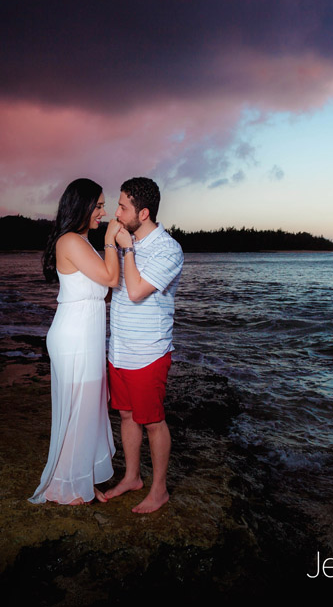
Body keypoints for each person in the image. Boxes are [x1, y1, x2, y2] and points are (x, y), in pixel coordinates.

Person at [29, 178, 123, 505]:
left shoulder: (83, 243)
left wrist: (105, 246)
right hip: (74, 337)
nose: (104, 212)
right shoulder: (70, 241)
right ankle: (62, 486)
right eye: (98, 206)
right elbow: (111, 279)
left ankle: (80, 479)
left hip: (87, 334)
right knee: (76, 412)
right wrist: (111, 239)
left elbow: (105, 291)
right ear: (82, 206)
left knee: (88, 412)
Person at [104, 177, 183, 513]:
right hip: (118, 347)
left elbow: (136, 291)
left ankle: (159, 489)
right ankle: (132, 477)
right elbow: (111, 287)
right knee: (125, 416)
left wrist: (127, 249)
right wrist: (113, 247)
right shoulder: (126, 242)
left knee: (152, 421)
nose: (116, 212)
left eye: (123, 207)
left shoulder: (168, 249)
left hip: (148, 351)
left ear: (144, 212)